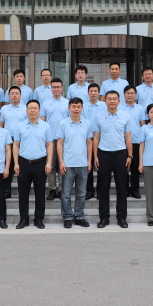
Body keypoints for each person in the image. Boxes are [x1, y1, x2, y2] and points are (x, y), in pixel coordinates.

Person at [91, 90, 136, 228]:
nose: (111, 101)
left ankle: (121, 218)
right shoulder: (98, 116)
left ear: (119, 101)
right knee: (103, 188)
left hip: (120, 154)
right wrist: (95, 156)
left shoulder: (125, 116)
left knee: (122, 188)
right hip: (103, 154)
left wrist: (130, 156)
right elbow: (96, 137)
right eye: (109, 99)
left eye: (114, 99)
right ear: (105, 101)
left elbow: (128, 137)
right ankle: (104, 218)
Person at [12, 99, 54, 230]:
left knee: (40, 193)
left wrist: (49, 162)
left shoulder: (46, 126)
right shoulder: (20, 126)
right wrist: (16, 163)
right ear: (26, 111)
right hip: (24, 163)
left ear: (39, 111)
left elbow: (49, 144)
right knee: (23, 193)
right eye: (30, 108)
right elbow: (16, 145)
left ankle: (38, 219)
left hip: (40, 163)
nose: (32, 110)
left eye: (35, 108)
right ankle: (23, 219)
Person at [56, 97, 93, 228]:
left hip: (82, 163)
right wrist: (61, 161)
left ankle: (79, 216)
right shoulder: (63, 124)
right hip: (68, 163)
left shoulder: (87, 123)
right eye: (73, 106)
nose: (76, 109)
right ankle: (67, 217)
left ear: (82, 108)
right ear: (69, 108)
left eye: (78, 107)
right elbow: (60, 143)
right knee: (66, 194)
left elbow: (89, 142)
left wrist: (89, 160)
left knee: (81, 193)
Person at [41, 77, 70, 201]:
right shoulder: (46, 103)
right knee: (51, 165)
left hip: (64, 139)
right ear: (51, 89)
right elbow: (42, 121)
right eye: (54, 87)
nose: (56, 89)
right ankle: (52, 189)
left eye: (58, 87)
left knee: (63, 165)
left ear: (62, 88)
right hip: (50, 139)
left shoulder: (67, 103)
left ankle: (62, 189)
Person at [0, 85, 28, 198]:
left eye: (17, 93)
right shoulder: (4, 109)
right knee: (8, 164)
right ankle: (6, 190)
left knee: (21, 165)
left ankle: (22, 190)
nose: (14, 95)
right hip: (8, 139)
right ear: (9, 96)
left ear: (20, 95)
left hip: (22, 140)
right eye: (12, 93)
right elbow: (1, 124)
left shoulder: (25, 108)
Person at [121, 85, 146, 199]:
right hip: (122, 142)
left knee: (135, 167)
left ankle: (135, 189)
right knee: (124, 167)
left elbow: (143, 125)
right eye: (128, 93)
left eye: (132, 93)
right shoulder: (120, 108)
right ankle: (125, 189)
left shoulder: (140, 109)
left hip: (136, 140)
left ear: (135, 95)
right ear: (124, 95)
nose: (130, 95)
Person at [82, 83, 105, 200]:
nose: (93, 93)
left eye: (95, 91)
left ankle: (100, 190)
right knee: (89, 165)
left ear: (99, 93)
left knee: (101, 166)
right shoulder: (84, 106)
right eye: (91, 91)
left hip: (101, 138)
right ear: (88, 93)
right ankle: (89, 190)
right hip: (88, 138)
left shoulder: (104, 105)